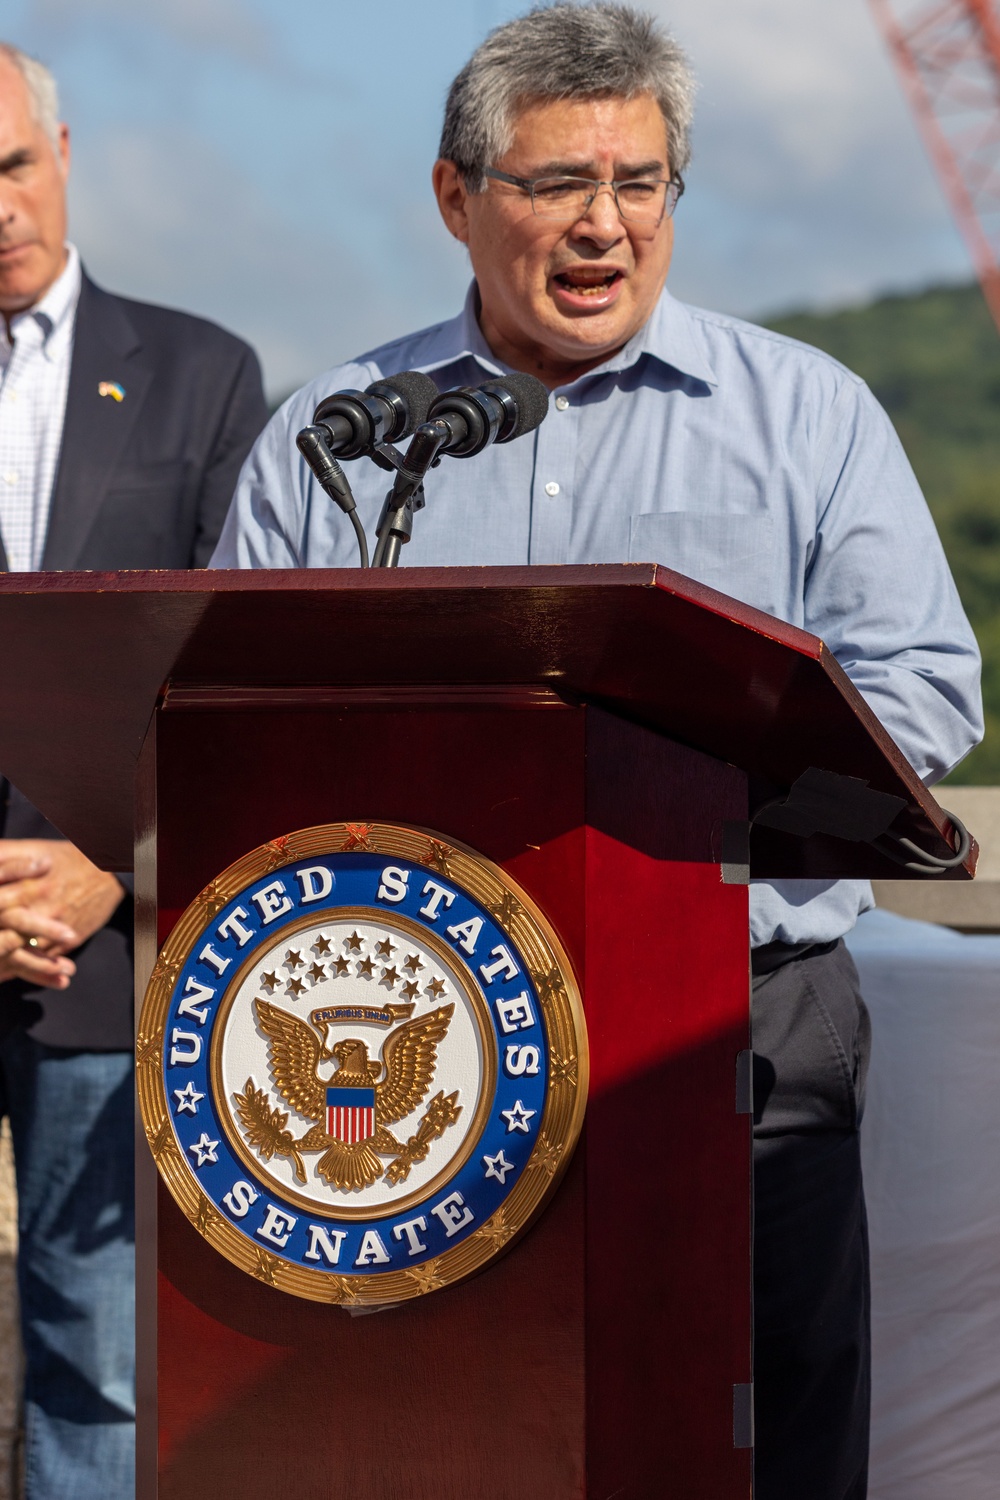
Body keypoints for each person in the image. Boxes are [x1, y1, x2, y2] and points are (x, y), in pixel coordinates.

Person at [210, 5, 982, 1497]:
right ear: (455, 199)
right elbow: (235, 723)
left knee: (759, 1426)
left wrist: (699, 874)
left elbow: (922, 687)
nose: (604, 225)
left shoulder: (805, 415)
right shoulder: (337, 438)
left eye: (641, 184)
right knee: (449, 1420)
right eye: (558, 184)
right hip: (422, 1016)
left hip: (738, 1015)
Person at [0, 42, 267, 1498]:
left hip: (105, 950)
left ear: (63, 150)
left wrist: (119, 857)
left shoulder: (205, 372)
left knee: (100, 1365)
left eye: (12, 165)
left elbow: (230, 667)